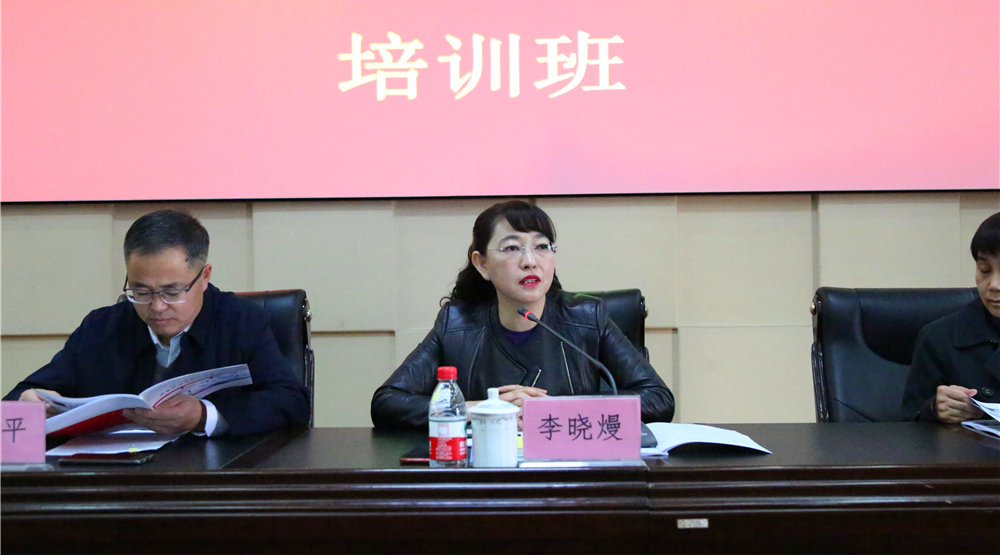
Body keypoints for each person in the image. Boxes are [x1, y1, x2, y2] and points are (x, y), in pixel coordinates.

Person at [6, 209, 310, 437]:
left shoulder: (242, 321)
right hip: (115, 481)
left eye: (172, 292)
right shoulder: (102, 327)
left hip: (213, 481)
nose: (157, 306)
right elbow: (20, 397)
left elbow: (292, 401)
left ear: (204, 276)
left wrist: (203, 416)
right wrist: (30, 404)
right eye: (141, 291)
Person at [371, 200, 675, 428]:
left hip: (569, 473)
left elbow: (658, 399)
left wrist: (553, 411)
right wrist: (481, 409)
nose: (530, 261)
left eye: (542, 246)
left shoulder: (587, 317)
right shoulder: (456, 324)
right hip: (486, 475)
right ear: (481, 264)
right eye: (512, 248)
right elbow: (388, 403)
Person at [902, 211, 1000, 423]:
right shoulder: (939, 337)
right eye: (984, 270)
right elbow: (909, 424)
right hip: (969, 445)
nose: (994, 285)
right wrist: (935, 409)